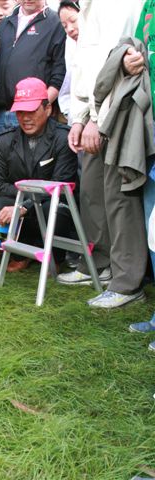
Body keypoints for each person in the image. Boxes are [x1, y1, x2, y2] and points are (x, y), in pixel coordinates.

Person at [56, 0, 148, 309]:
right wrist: (80, 119)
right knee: (93, 194)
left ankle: (127, 282)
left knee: (119, 198)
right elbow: (83, 71)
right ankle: (98, 264)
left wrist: (96, 119)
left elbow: (112, 65)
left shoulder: (117, 5)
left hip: (115, 111)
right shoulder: (86, 8)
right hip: (93, 112)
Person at [0, 77, 78, 272]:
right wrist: (22, 202)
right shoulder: (5, 140)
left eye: (32, 111)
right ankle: (19, 253)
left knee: (53, 211)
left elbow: (62, 185)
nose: (25, 118)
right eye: (20, 112)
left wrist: (24, 204)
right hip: (20, 199)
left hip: (51, 203)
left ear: (48, 109)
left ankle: (56, 255)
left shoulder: (63, 138)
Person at [0, 0, 66, 146]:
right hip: (0, 115)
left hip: (33, 115)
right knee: (0, 167)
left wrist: (41, 108)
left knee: (31, 167)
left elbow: (60, 72)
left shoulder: (55, 22)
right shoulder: (5, 22)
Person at [125, 0, 155, 351]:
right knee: (153, 229)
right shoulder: (148, 5)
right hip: (150, 126)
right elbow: (135, 48)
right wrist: (129, 59)